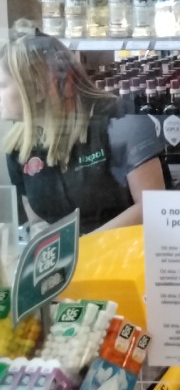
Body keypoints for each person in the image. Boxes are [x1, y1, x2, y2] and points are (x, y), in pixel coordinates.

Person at [0, 22, 167, 234]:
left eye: (2, 85)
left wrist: (81, 246)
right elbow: (38, 220)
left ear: (38, 88)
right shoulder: (18, 147)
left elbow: (151, 207)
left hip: (127, 250)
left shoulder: (120, 121)